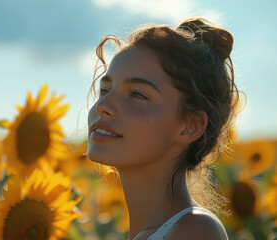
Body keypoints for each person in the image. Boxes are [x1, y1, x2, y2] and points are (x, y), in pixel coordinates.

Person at [87, 17, 244, 240]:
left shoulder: (194, 230)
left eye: (137, 94)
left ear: (190, 126)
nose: (103, 106)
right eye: (105, 90)